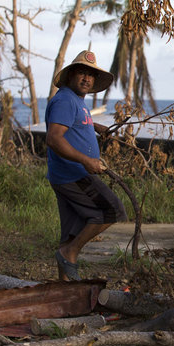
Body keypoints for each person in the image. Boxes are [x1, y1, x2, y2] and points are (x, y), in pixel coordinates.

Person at [45, 50, 127, 281]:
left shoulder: (75, 101)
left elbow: (74, 124)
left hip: (67, 174)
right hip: (74, 174)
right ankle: (70, 253)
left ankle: (65, 286)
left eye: (91, 75)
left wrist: (96, 128)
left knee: (71, 229)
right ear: (71, 75)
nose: (86, 79)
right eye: (82, 72)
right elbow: (54, 138)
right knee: (111, 210)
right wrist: (86, 160)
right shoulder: (64, 100)